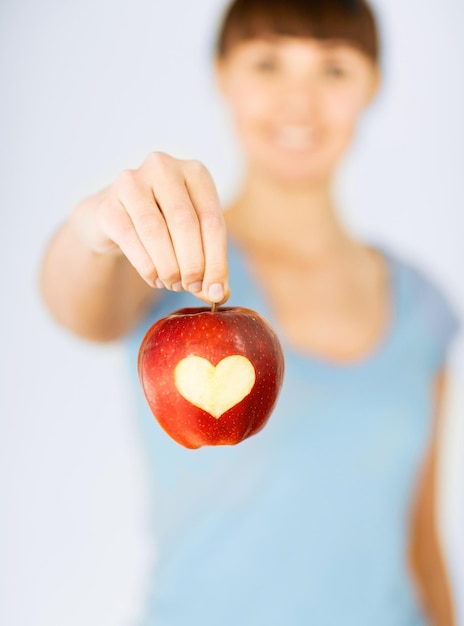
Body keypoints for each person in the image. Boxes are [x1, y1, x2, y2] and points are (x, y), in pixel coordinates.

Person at [40, 0, 460, 624]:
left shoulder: (422, 305)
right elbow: (76, 308)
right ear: (222, 75)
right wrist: (94, 226)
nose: (300, 101)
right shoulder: (165, 262)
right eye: (268, 63)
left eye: (334, 70)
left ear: (371, 85)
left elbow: (419, 536)